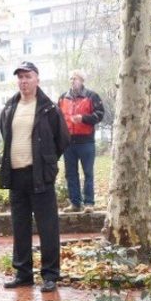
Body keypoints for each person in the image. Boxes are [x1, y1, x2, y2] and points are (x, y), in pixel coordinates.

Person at [0, 62, 70, 293]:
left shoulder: (49, 108)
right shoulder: (10, 107)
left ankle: (50, 275)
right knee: (19, 227)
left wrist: (46, 160)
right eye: (20, 77)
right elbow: (5, 134)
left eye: (27, 76)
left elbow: (62, 140)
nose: (23, 81)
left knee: (48, 227)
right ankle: (23, 273)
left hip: (40, 176)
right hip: (16, 176)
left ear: (37, 79)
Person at [57, 69, 104, 213]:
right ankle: (75, 203)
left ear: (82, 80)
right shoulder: (62, 98)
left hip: (86, 142)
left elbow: (100, 114)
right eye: (71, 78)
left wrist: (83, 118)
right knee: (70, 174)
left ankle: (89, 203)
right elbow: (57, 117)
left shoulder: (92, 96)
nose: (73, 81)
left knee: (88, 173)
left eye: (75, 78)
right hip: (68, 143)